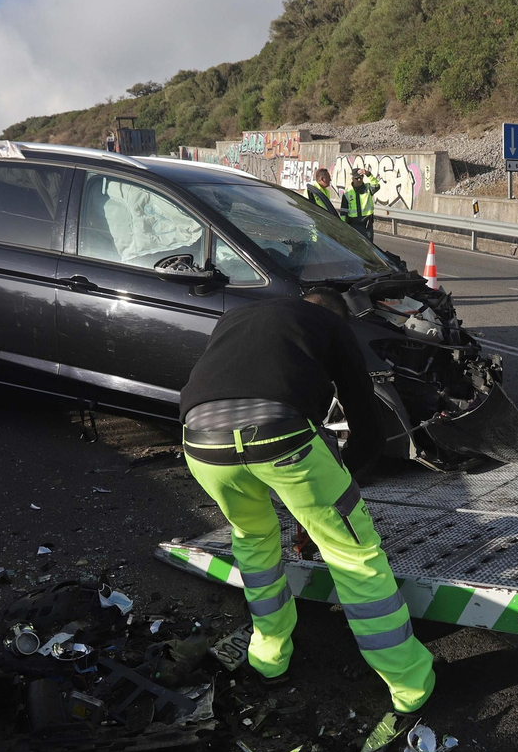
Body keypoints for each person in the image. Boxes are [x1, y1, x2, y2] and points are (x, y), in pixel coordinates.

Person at [179, 289, 436, 716]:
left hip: (201, 444)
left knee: (253, 540)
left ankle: (269, 658)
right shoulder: (334, 325)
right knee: (352, 554)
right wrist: (340, 488)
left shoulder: (238, 316)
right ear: (338, 316)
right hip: (281, 436)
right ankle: (410, 685)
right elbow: (367, 430)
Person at [339, 167, 380, 243]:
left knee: (369, 246)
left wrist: (368, 174)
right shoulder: (348, 192)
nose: (359, 180)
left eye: (361, 178)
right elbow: (344, 210)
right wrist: (343, 225)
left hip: (366, 224)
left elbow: (376, 185)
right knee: (355, 246)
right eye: (357, 178)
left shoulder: (368, 188)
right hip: (353, 224)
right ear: (352, 178)